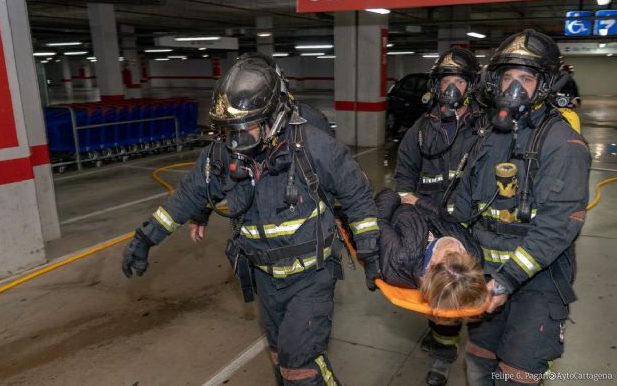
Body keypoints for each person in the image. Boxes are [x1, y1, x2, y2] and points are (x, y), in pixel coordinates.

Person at [121, 53, 381, 386]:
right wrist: (146, 238)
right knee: (279, 356)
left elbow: (358, 196)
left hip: (311, 277)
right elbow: (187, 197)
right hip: (265, 279)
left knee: (299, 366)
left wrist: (371, 253)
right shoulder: (222, 153)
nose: (237, 141)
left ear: (274, 117)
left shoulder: (315, 148)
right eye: (230, 131)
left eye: (246, 129)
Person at [450, 30, 591, 385]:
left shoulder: (564, 144)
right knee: (479, 361)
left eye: (525, 78)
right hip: (486, 276)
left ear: (544, 85)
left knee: (517, 375)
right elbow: (465, 206)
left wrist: (506, 281)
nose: (514, 87)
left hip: (537, 283)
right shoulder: (487, 137)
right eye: (508, 77)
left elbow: (558, 226)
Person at [394, 47, 488, 386]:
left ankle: (480, 351)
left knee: (477, 294)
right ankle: (443, 354)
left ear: (471, 86)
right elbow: (404, 176)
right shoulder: (420, 130)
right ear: (436, 85)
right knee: (445, 293)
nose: (452, 88)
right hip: (434, 225)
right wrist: (410, 200)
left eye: (459, 81)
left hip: (476, 223)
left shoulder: (488, 127)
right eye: (446, 80)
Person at [375, 188, 489, 321]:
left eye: (449, 254)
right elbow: (447, 219)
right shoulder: (474, 254)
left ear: (430, 269)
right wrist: (419, 202)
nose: (456, 245)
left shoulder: (400, 260)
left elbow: (378, 220)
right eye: (463, 253)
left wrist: (397, 196)